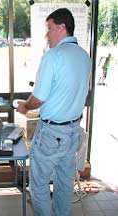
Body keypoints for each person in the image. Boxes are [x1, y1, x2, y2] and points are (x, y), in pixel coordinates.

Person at [17, 8, 90, 216]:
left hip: (51, 133)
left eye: (49, 28)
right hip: (73, 131)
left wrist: (24, 106)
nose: (46, 35)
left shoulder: (53, 56)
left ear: (61, 27)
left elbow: (38, 99)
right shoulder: (84, 56)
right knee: (64, 183)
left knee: (38, 184)